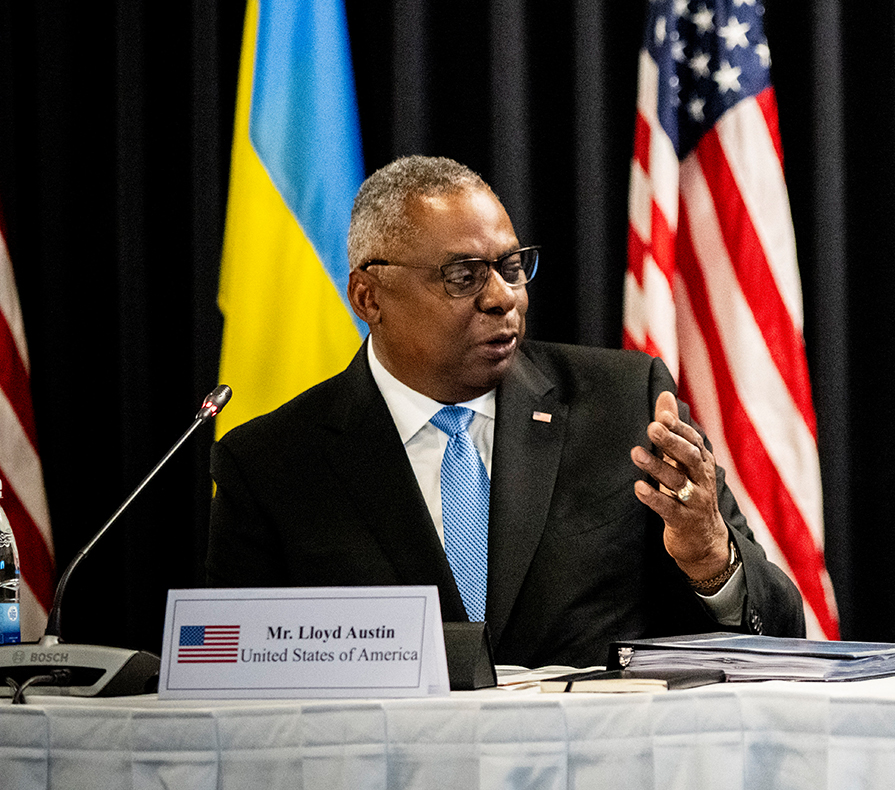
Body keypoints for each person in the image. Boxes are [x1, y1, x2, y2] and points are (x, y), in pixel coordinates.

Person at [207, 156, 805, 666]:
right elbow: (232, 673)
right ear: (369, 296)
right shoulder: (272, 463)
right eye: (463, 276)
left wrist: (710, 559)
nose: (503, 298)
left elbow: (782, 634)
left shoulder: (624, 404)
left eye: (512, 267)